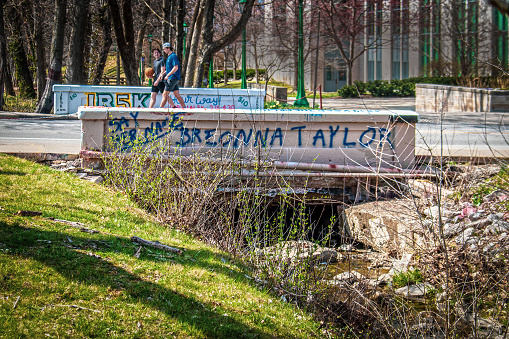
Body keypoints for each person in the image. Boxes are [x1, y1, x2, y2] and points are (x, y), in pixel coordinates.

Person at [161, 42, 186, 109]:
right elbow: (170, 68)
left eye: (164, 49)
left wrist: (167, 75)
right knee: (176, 94)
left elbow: (175, 67)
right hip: (173, 77)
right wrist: (163, 73)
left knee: (165, 94)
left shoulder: (173, 56)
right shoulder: (169, 57)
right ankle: (184, 109)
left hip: (172, 78)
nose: (164, 51)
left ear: (168, 48)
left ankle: (160, 109)